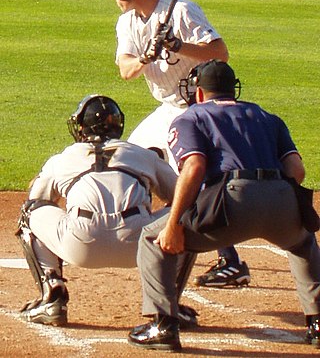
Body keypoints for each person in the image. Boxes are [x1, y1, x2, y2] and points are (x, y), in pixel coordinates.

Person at [127, 60, 320, 352]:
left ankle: (164, 325)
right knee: (303, 244)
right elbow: (296, 169)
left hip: (232, 201)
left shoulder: (190, 117)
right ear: (233, 89)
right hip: (281, 197)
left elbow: (193, 168)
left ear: (199, 93)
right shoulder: (268, 117)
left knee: (154, 238)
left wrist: (174, 223)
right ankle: (317, 324)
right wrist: (274, 199)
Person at [101, 0, 250, 288]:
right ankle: (133, 228)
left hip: (197, 109)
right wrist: (146, 56)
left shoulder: (181, 11)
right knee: (125, 158)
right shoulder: (127, 23)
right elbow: (126, 71)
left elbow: (220, 53)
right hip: (167, 109)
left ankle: (231, 262)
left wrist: (178, 45)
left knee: (191, 178)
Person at [16, 94, 197, 327]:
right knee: (186, 215)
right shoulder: (142, 154)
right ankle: (168, 305)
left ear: (81, 127)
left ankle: (52, 296)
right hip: (140, 245)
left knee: (30, 212)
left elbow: (37, 199)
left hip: (80, 245)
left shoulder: (63, 158)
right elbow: (180, 196)